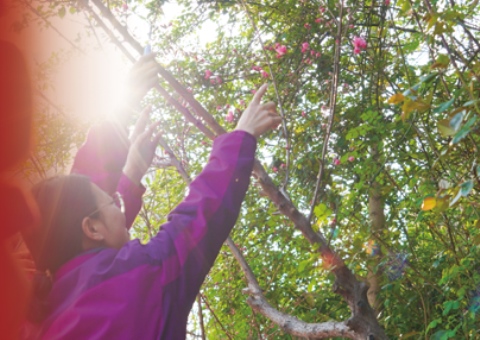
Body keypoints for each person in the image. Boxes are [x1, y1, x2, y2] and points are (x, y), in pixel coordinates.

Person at [22, 83, 281, 339]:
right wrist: (243, 135)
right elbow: (198, 218)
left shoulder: (28, 317)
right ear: (91, 228)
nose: (121, 211)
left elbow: (66, 213)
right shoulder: (138, 278)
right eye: (113, 201)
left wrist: (132, 174)